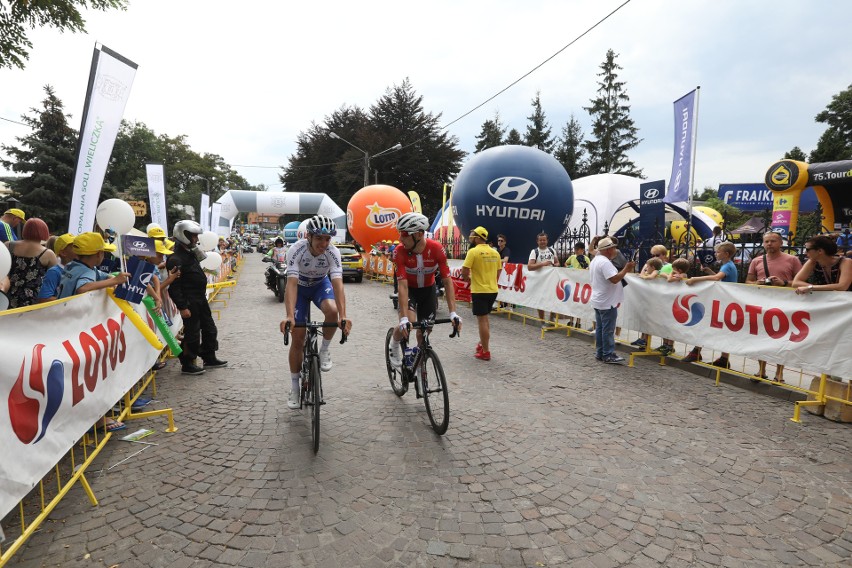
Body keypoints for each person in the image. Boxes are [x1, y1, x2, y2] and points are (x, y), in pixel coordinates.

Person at [278, 215, 351, 410]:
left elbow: (338, 285)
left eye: (328, 239)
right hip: (300, 289)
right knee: (298, 338)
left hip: (320, 285)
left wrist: (343, 315)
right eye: (319, 238)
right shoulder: (296, 250)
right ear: (309, 237)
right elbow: (291, 285)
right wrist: (289, 316)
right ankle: (294, 387)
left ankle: (325, 349)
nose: (324, 243)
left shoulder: (333, 252)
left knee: (332, 310)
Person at [387, 212, 461, 370]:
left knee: (425, 331)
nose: (400, 239)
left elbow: (448, 282)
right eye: (400, 233)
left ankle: (419, 367)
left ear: (419, 234)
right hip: (410, 290)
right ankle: (393, 344)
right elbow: (403, 286)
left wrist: (453, 313)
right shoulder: (399, 251)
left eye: (405, 234)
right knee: (410, 322)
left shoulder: (436, 249)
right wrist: (404, 318)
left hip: (428, 290)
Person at [166, 220, 228, 375]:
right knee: (192, 334)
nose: (196, 239)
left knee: (209, 329)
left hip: (200, 299)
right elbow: (174, 287)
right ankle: (187, 363)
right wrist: (182, 306)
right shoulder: (176, 258)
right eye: (193, 236)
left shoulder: (190, 253)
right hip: (189, 301)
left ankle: (209, 356)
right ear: (184, 235)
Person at [745, 231, 802, 382]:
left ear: (781, 243)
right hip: (762, 304)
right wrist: (757, 283)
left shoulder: (793, 260)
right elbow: (748, 281)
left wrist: (783, 283)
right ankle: (761, 371)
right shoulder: (756, 261)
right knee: (761, 338)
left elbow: (801, 282)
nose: (769, 244)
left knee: (782, 339)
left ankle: (779, 374)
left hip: (785, 305)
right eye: (767, 241)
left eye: (773, 241)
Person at [682, 241, 738, 368]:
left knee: (707, 325)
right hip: (724, 301)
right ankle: (719, 357)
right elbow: (721, 278)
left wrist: (696, 279)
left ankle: (697, 351)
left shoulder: (727, 265)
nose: (715, 254)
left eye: (718, 252)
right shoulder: (728, 265)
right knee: (716, 327)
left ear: (726, 254)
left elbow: (717, 278)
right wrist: (709, 271)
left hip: (724, 302)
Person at [590, 237, 635, 364]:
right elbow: (614, 279)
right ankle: (608, 354)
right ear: (609, 250)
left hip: (600, 299)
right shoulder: (604, 262)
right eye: (614, 248)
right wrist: (626, 269)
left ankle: (600, 352)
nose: (616, 250)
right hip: (606, 301)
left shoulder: (596, 260)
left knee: (600, 328)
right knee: (608, 330)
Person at [461, 226, 501, 361]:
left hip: (479, 290)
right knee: (485, 319)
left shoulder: (473, 252)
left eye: (472, 235)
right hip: (493, 290)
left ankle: (485, 351)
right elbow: (498, 272)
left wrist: (470, 280)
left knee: (482, 320)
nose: (471, 237)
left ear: (478, 238)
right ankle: (482, 344)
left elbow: (464, 271)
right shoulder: (495, 253)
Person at [5, 218, 59, 308]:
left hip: (7, 297)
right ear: (44, 231)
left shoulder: (8, 245)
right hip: (32, 301)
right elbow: (55, 278)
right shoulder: (48, 253)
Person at [56, 232, 130, 297]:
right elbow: (82, 289)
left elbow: (101, 275)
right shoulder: (88, 272)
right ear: (99, 254)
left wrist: (110, 277)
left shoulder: (72, 265)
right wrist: (114, 281)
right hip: (72, 311)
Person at [528, 232, 559, 327]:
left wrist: (554, 265)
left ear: (547, 241)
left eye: (544, 240)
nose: (542, 242)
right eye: (540, 240)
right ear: (537, 241)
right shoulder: (534, 252)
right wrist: (542, 264)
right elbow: (529, 266)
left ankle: (551, 319)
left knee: (553, 299)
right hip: (539, 281)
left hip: (551, 279)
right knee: (540, 300)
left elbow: (558, 263)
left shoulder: (552, 250)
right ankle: (542, 321)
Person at [37, 233, 76, 303]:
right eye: (74, 247)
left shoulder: (78, 269)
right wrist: (72, 299)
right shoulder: (54, 272)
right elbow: (44, 299)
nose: (79, 250)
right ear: (63, 253)